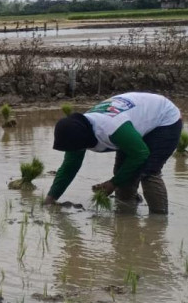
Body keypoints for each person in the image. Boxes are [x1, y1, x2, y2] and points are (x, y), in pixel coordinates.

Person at [44, 92, 182, 214]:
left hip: (164, 119)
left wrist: (113, 183)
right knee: (122, 170)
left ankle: (158, 220)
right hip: (134, 121)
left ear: (84, 140)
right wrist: (50, 199)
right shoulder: (77, 131)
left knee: (149, 172)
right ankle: (127, 214)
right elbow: (69, 167)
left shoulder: (110, 128)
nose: (74, 152)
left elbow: (140, 154)